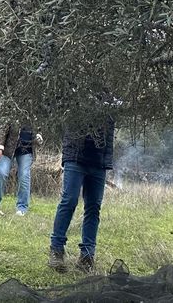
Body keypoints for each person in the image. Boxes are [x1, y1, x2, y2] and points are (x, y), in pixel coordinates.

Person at [48, 117, 115, 274]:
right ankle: (56, 250)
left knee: (93, 207)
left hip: (99, 162)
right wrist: (69, 153)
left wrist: (106, 161)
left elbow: (110, 134)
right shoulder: (78, 96)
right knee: (69, 200)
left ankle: (87, 256)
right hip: (76, 157)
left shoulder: (109, 101)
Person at [0, 123, 42, 216]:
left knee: (24, 176)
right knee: (1, 172)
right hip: (8, 149)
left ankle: (22, 208)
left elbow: (40, 126)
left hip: (26, 151)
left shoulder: (35, 112)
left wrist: (38, 136)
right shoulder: (12, 109)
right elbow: (2, 129)